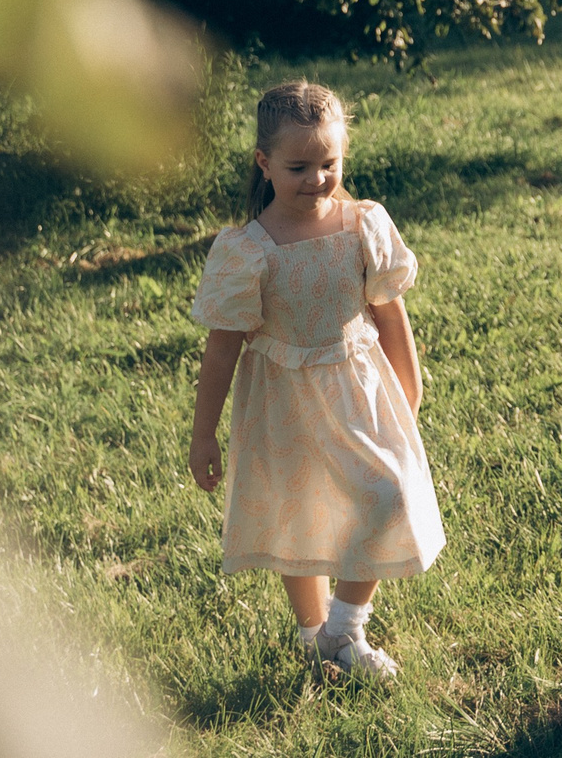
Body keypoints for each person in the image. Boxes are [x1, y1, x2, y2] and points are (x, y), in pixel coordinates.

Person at [187, 80, 443, 680]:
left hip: (357, 389)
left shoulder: (362, 225)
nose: (317, 179)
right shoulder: (248, 250)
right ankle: (315, 640)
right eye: (298, 167)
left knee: (387, 493)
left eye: (329, 163)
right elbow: (221, 349)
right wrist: (203, 434)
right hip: (282, 400)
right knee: (298, 513)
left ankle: (344, 626)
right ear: (264, 163)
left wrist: (409, 386)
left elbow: (389, 311)